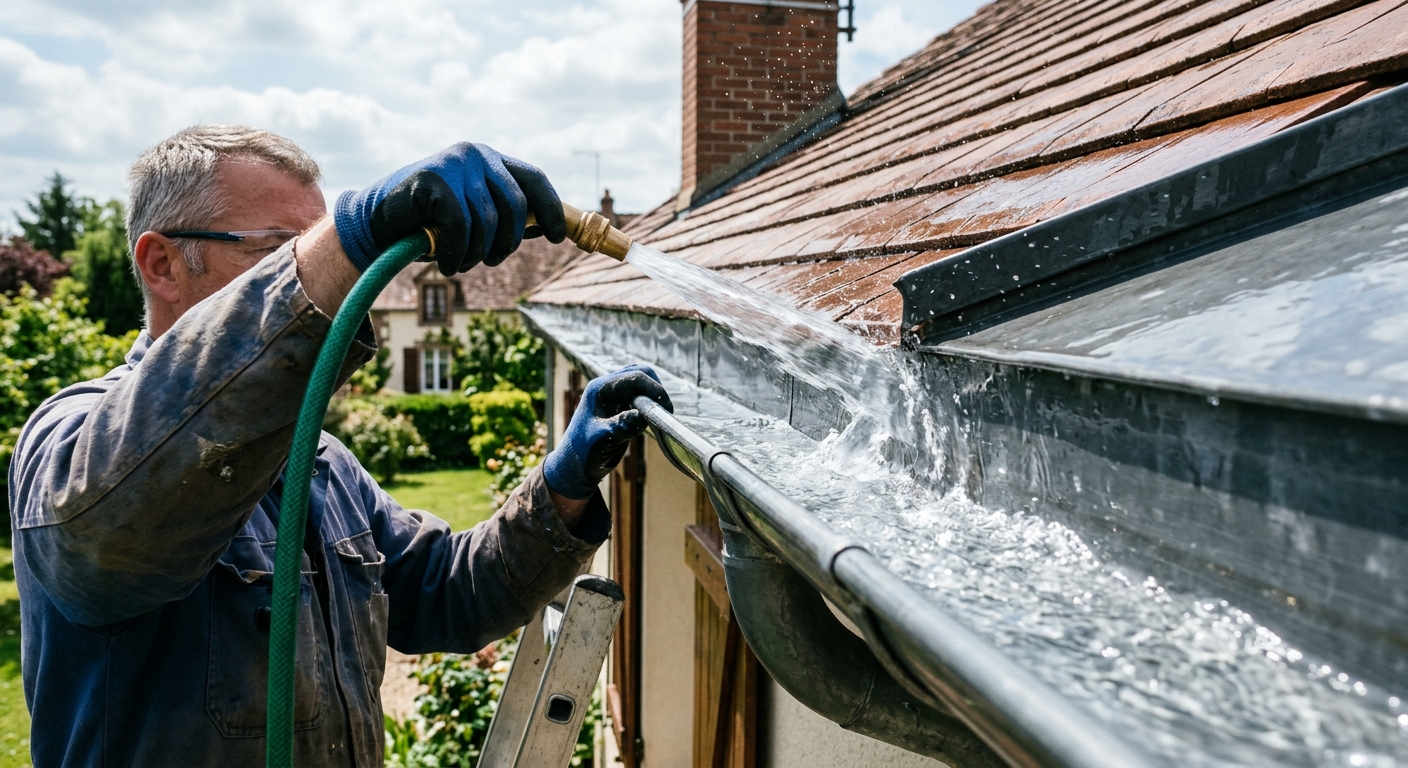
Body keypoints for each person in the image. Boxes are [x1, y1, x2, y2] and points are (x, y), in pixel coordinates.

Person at [6, 125, 672, 766]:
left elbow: (443, 592)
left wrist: (561, 488)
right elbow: (110, 535)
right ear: (163, 263)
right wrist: (354, 231)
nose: (335, 281)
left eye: (317, 248)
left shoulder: (322, 466)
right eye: (280, 253)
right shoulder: (67, 442)